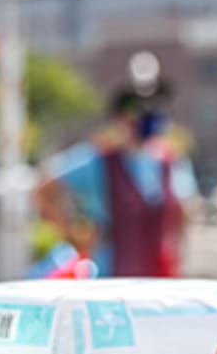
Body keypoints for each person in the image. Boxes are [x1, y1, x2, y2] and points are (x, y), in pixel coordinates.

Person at [34, 79, 199, 278]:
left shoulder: (172, 162)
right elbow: (45, 187)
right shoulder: (97, 161)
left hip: (157, 276)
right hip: (109, 275)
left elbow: (183, 212)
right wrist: (72, 232)